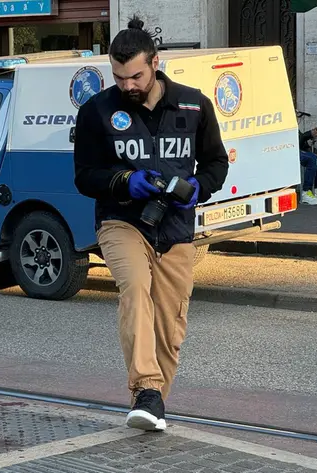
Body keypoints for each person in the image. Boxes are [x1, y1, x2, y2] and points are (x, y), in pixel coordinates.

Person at [73, 17, 229, 432]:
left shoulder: (194, 105)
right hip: (121, 220)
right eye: (119, 76)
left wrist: (200, 186)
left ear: (156, 63)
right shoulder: (96, 111)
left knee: (171, 324)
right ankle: (144, 388)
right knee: (135, 289)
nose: (127, 85)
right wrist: (125, 180)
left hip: (176, 226)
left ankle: (154, 404)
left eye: (136, 75)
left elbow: (216, 162)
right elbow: (84, 175)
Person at [299, 125, 317, 203]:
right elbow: (295, 142)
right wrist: (309, 134)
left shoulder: (292, 122)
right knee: (312, 158)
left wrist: (311, 135)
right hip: (291, 150)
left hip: (302, 148)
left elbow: (300, 138)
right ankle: (306, 191)